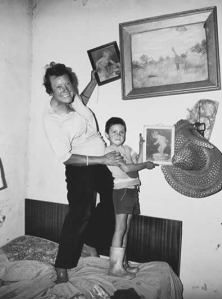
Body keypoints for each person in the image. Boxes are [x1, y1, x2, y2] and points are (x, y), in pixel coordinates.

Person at [42, 62, 124, 284]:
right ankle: (62, 265)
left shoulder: (72, 98)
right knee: (80, 213)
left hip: (99, 162)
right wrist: (102, 159)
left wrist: (93, 81)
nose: (66, 90)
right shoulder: (51, 119)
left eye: (68, 84)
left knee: (115, 200)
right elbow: (66, 157)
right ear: (50, 90)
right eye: (59, 87)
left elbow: (82, 104)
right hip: (79, 166)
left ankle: (89, 241)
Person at [104, 117, 158, 279]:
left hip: (132, 190)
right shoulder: (110, 151)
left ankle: (123, 263)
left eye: (121, 132)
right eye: (114, 132)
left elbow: (138, 162)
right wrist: (146, 166)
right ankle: (114, 267)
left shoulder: (127, 148)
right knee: (120, 228)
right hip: (121, 191)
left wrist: (142, 147)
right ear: (107, 135)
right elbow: (128, 168)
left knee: (126, 229)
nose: (118, 135)